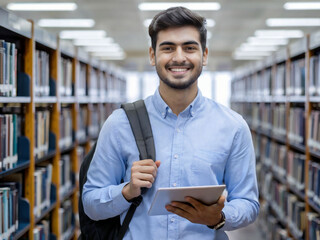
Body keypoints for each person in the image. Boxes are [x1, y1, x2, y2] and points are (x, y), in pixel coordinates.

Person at [82, 6, 259, 240]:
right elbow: (91, 203)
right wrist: (127, 191)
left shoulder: (233, 127)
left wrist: (219, 217)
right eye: (167, 48)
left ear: (204, 55)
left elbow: (248, 203)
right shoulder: (119, 123)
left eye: (189, 47)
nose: (178, 57)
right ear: (153, 55)